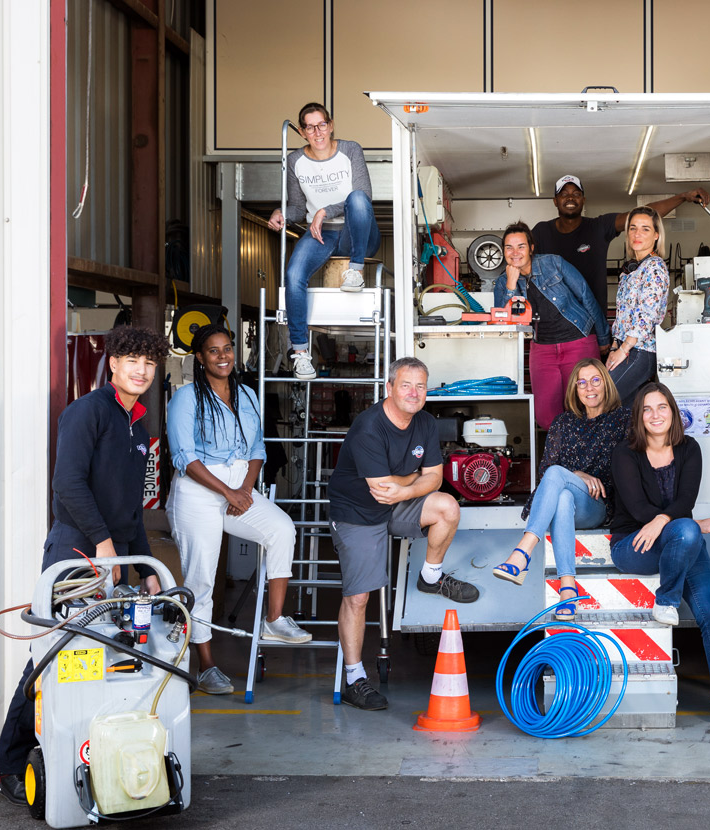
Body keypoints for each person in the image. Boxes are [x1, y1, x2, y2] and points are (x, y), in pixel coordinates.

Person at [0, 325, 170, 805]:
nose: (141, 369)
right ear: (112, 362)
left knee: (100, 660)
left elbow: (130, 506)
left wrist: (148, 567)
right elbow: (68, 485)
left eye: (149, 363)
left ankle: (85, 756)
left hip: (112, 556)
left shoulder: (138, 424)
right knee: (49, 662)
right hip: (74, 555)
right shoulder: (86, 413)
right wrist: (104, 544)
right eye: (132, 359)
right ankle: (8, 766)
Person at [166, 325, 312, 696]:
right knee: (201, 579)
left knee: (281, 529)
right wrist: (227, 492)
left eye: (227, 349)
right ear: (200, 358)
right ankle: (207, 666)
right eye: (213, 351)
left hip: (238, 487)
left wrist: (244, 490)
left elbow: (257, 447)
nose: (223, 356)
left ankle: (275, 620)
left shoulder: (246, 394)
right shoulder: (185, 398)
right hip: (199, 491)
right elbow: (185, 457)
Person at [328, 357, 479, 711]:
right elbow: (382, 489)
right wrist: (414, 480)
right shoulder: (369, 427)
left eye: (421, 386)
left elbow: (436, 479)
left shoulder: (424, 422)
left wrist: (408, 485)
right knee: (359, 598)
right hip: (358, 513)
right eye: (406, 385)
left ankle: (431, 576)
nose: (414, 393)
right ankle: (353, 678)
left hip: (395, 504)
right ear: (390, 388)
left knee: (446, 507)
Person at [610, 382, 710, 724]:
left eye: (662, 407)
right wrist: (689, 524)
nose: (655, 415)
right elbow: (638, 509)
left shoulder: (689, 448)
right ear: (639, 417)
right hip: (634, 545)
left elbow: (685, 502)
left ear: (672, 412)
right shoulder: (625, 453)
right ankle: (666, 600)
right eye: (647, 409)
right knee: (687, 529)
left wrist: (678, 522)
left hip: (680, 542)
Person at [492, 359, 628, 620]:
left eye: (596, 380)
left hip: (598, 505)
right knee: (563, 495)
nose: (589, 388)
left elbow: (629, 469)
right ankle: (568, 589)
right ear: (575, 390)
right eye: (582, 383)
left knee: (558, 476)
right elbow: (546, 473)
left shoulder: (623, 419)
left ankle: (522, 553)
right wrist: (577, 474)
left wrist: (575, 476)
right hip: (566, 504)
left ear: (606, 384)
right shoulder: (563, 423)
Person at [267, 102, 380, 381]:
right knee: (293, 275)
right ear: (303, 132)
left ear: (330, 125)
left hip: (358, 231)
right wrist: (281, 213)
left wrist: (325, 210)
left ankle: (355, 271)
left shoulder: (350, 150)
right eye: (309, 126)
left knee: (356, 199)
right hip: (322, 233)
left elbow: (363, 195)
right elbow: (296, 207)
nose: (317, 132)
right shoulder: (296, 161)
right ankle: (301, 353)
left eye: (321, 125)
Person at [531, 174, 709, 314]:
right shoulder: (541, 232)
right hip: (552, 322)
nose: (570, 198)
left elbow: (643, 215)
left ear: (583, 200)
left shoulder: (598, 227)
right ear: (555, 201)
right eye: (564, 194)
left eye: (576, 194)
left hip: (592, 324)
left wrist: (683, 197)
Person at [494, 221, 612, 430]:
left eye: (521, 246)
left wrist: (603, 338)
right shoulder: (503, 282)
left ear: (531, 247)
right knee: (545, 415)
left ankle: (587, 460)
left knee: (585, 407)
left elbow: (586, 295)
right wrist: (511, 286)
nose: (515, 253)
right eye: (509, 247)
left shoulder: (554, 264)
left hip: (578, 341)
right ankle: (560, 459)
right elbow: (504, 323)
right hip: (543, 349)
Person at [607, 206, 669, 402]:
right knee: (626, 414)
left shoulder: (655, 267)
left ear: (657, 235)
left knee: (602, 398)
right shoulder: (630, 270)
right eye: (632, 228)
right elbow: (621, 316)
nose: (637, 234)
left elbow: (646, 317)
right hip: (625, 348)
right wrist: (613, 348)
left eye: (645, 229)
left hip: (641, 351)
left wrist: (623, 350)